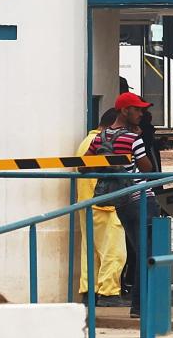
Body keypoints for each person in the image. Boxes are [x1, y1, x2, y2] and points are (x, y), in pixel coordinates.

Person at [88, 92, 156, 319]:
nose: (141, 114)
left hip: (119, 200)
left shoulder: (100, 138)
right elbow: (148, 169)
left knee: (139, 250)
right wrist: (139, 139)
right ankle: (140, 306)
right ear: (125, 110)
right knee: (149, 252)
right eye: (137, 109)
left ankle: (141, 304)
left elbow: (84, 167)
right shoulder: (133, 139)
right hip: (140, 198)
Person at [76, 109, 128, 306]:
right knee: (114, 251)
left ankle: (89, 291)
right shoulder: (105, 143)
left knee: (91, 251)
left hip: (87, 202)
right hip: (105, 203)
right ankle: (109, 293)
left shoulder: (86, 142)